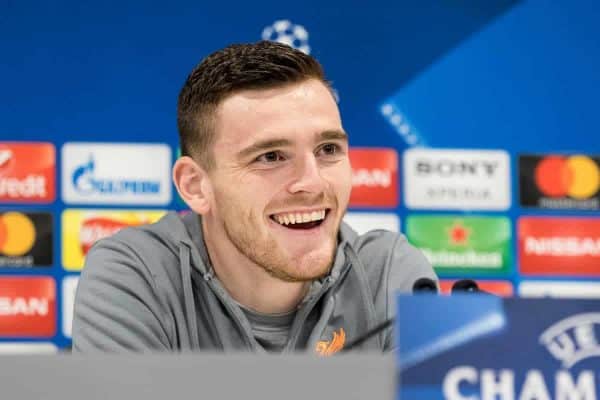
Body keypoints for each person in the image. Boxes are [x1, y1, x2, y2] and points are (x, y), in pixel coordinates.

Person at [72, 41, 437, 354]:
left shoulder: (391, 275)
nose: (311, 182)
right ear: (195, 186)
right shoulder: (136, 275)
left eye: (328, 149)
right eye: (271, 157)